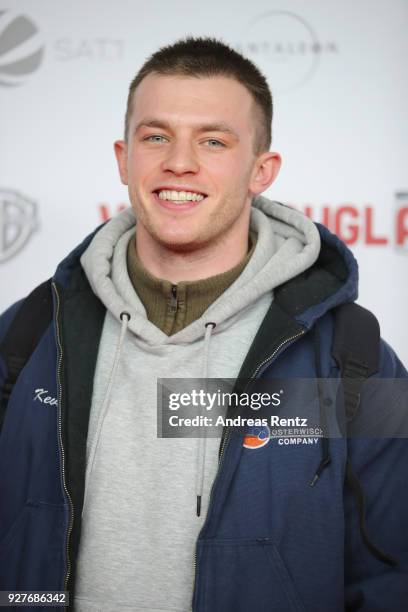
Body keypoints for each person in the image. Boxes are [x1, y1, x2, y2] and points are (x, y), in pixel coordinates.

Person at [0, 37, 407, 612]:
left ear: (261, 170)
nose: (179, 162)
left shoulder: (353, 356)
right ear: (124, 158)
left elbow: (393, 572)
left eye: (213, 141)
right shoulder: (29, 334)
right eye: (156, 136)